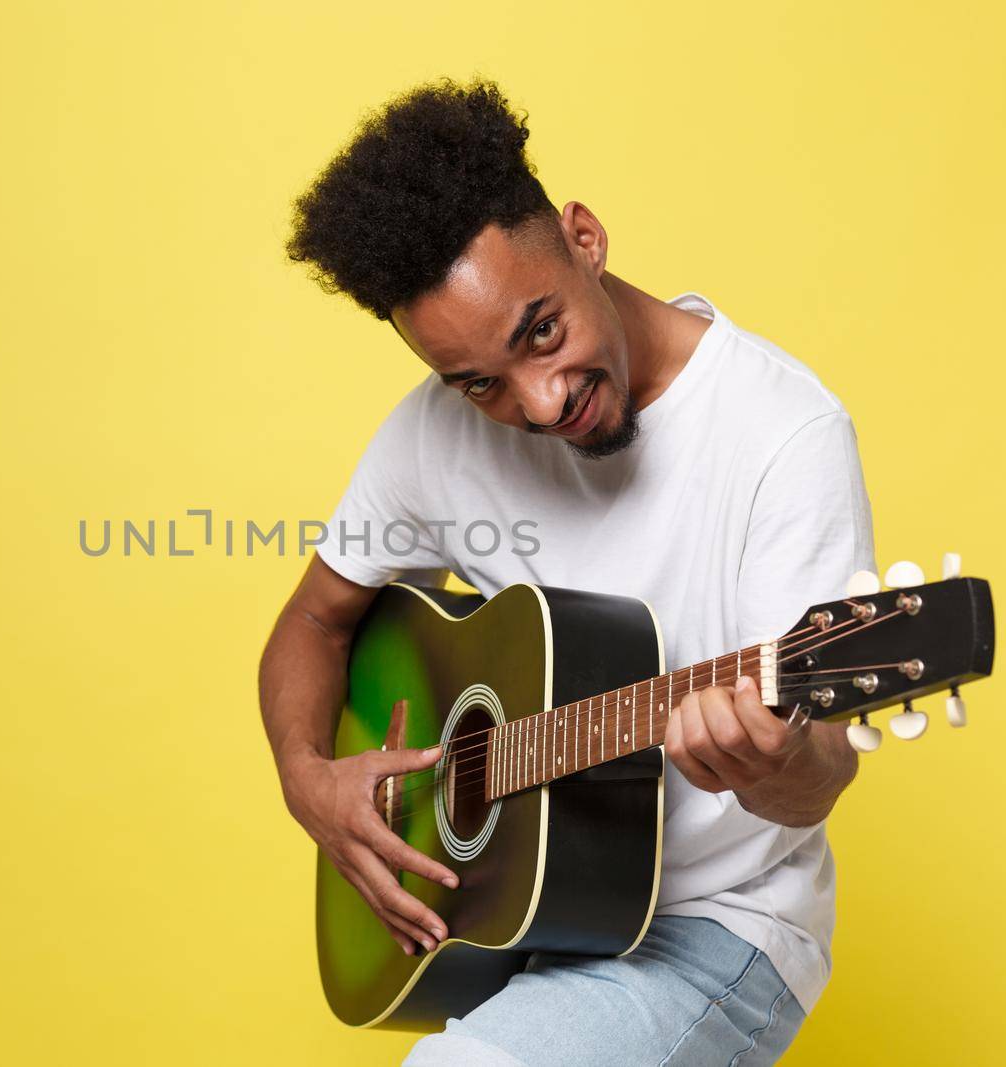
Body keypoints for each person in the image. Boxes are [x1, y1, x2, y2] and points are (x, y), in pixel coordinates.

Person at [258, 77, 877, 1065]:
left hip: (712, 927)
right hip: (513, 911)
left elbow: (818, 775)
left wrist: (772, 762)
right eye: (479, 383)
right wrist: (308, 779)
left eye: (540, 332)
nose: (540, 404)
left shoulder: (779, 433)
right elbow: (315, 623)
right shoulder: (433, 432)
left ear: (584, 238)